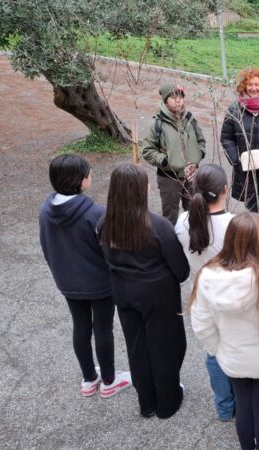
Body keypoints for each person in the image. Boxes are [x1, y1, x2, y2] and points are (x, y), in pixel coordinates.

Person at [190, 212, 259, 450]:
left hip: (232, 355)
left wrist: (218, 350)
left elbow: (202, 323)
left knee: (244, 404)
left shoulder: (206, 277)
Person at [98, 164, 189, 419]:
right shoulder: (158, 226)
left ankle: (146, 401)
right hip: (158, 295)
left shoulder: (104, 224)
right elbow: (181, 271)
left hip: (124, 293)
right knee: (165, 347)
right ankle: (167, 402)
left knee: (136, 346)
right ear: (139, 191)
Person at [39, 154, 132, 398]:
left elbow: (46, 247)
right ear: (82, 182)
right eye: (89, 174)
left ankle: (89, 378)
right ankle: (110, 381)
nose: (91, 176)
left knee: (80, 326)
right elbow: (111, 252)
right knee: (102, 328)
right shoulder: (95, 214)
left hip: (67, 282)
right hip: (99, 284)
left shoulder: (45, 211)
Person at [174, 164, 236, 422]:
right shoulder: (233, 224)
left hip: (201, 298)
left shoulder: (181, 222)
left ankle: (223, 407)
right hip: (233, 298)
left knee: (213, 353)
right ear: (225, 190)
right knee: (236, 348)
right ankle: (241, 403)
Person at [221, 67, 259, 241]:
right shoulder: (234, 110)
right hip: (244, 168)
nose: (253, 88)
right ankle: (254, 234)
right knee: (251, 199)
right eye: (249, 84)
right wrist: (236, 160)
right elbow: (226, 138)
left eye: (257, 84)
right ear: (244, 87)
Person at [141, 83, 207, 224]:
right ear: (165, 100)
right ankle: (172, 244)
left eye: (181, 97)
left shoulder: (190, 119)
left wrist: (199, 154)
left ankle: (193, 243)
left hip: (192, 177)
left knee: (195, 213)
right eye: (173, 97)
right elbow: (147, 151)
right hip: (169, 178)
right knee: (170, 217)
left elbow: (201, 140)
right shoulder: (156, 123)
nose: (178, 100)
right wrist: (166, 161)